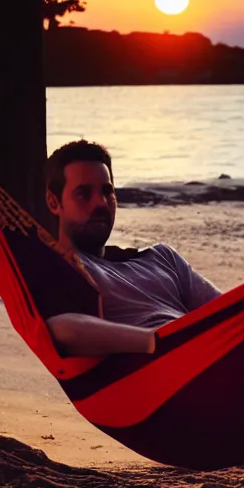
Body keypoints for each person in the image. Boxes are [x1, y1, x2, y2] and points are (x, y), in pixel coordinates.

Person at [44, 140, 222, 359]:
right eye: (84, 193)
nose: (100, 203)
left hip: (213, 354)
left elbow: (230, 311)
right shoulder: (62, 266)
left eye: (107, 192)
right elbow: (60, 329)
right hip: (169, 367)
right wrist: (157, 341)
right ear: (54, 203)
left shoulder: (163, 258)